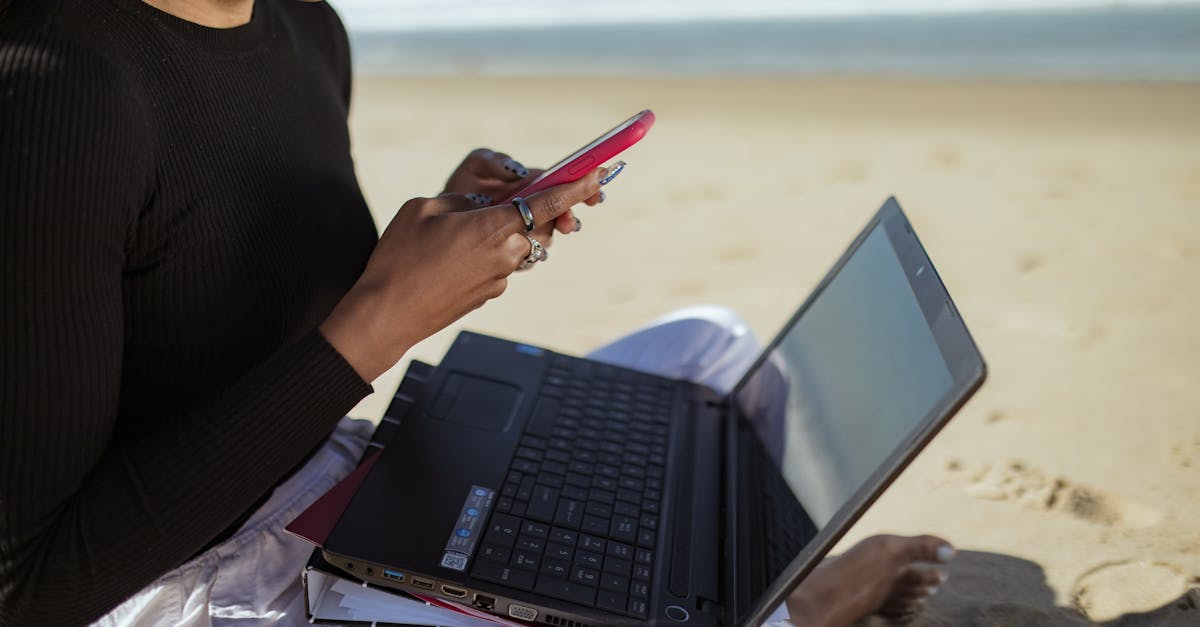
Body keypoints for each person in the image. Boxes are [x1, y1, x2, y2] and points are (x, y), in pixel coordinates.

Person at [0, 0, 954, 624]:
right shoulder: (53, 87)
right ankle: (793, 608)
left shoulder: (305, 29)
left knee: (718, 347)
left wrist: (435, 242)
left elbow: (220, 297)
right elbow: (30, 583)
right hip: (184, 573)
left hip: (330, 473)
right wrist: (386, 317)